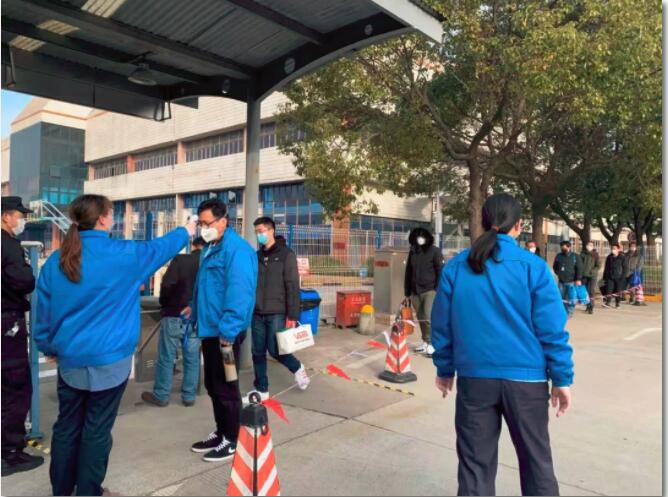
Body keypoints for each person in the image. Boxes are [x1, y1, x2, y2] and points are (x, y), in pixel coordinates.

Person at [34, 194, 196, 496]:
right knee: (96, 431)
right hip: (110, 362)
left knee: (67, 427)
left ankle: (62, 491)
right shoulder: (124, 255)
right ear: (103, 219)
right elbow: (159, 248)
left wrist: (48, 346)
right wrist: (187, 230)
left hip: (70, 360)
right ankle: (89, 491)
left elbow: (43, 312)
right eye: (112, 213)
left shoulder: (56, 260)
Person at [431, 193, 573, 496]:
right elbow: (552, 330)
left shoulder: (457, 267)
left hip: (475, 381)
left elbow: (442, 326)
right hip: (527, 383)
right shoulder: (533, 267)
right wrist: (561, 379)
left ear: (483, 222)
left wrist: (445, 369)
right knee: (537, 464)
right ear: (519, 225)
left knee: (474, 467)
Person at [186, 199, 257, 463]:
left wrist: (228, 330)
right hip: (209, 329)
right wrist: (194, 309)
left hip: (226, 333)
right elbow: (204, 287)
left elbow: (240, 293)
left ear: (224, 221)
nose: (204, 229)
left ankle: (233, 438)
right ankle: (222, 431)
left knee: (227, 386)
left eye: (208, 223)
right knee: (214, 385)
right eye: (201, 224)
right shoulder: (211, 248)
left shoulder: (237, 251)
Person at [243, 217, 310, 403]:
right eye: (257, 232)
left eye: (261, 231)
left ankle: (297, 367)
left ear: (271, 230)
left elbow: (292, 286)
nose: (259, 235)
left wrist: (293, 314)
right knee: (257, 352)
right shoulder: (256, 256)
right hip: (257, 312)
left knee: (275, 350)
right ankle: (261, 389)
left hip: (277, 311)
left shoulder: (286, 254)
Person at [1, 196, 44, 476]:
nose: (22, 221)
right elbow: (25, 281)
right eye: (19, 215)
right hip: (8, 323)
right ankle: (10, 453)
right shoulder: (8, 245)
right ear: (6, 216)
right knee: (15, 387)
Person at [142, 237, 205, 408]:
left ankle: (162, 395)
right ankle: (189, 396)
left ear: (193, 246)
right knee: (192, 358)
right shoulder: (209, 263)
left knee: (167, 356)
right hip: (196, 318)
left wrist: (165, 304)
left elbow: (167, 285)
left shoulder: (181, 260)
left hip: (174, 313)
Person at [404, 227, 443, 356]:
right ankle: (425, 342)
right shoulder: (413, 252)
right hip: (415, 291)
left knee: (427, 317)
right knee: (421, 318)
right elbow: (408, 272)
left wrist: (437, 289)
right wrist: (407, 292)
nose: (419, 239)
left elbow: (440, 270)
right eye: (417, 237)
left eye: (422, 236)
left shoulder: (435, 251)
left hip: (430, 290)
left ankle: (432, 344)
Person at [552, 240, 583, 317]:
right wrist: (559, 273)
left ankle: (569, 312)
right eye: (561, 247)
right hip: (561, 281)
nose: (562, 249)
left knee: (571, 298)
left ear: (569, 247)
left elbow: (580, 269)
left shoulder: (575, 256)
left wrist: (578, 279)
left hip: (572, 281)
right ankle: (562, 312)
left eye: (564, 247)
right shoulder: (559, 256)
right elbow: (555, 267)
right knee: (561, 298)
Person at [603, 243, 628, 308]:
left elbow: (625, 268)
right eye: (612, 248)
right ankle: (608, 302)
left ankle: (617, 303)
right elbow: (606, 267)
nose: (613, 250)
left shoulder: (622, 257)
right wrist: (605, 276)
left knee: (618, 290)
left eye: (614, 248)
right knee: (609, 290)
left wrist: (623, 277)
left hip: (619, 277)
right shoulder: (609, 257)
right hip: (610, 277)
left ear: (618, 249)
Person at [580, 241, 601, 315]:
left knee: (591, 291)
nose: (589, 246)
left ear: (593, 246)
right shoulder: (582, 254)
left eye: (591, 245)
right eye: (588, 245)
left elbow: (598, 266)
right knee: (585, 292)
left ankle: (591, 307)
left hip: (592, 276)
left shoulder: (595, 255)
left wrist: (592, 271)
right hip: (584, 276)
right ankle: (587, 306)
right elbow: (579, 264)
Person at [625, 242, 646, 306]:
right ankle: (627, 297)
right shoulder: (626, 255)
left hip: (634, 273)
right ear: (629, 247)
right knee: (627, 286)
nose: (632, 247)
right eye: (631, 246)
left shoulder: (639, 256)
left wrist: (636, 271)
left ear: (636, 247)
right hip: (626, 272)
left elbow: (640, 265)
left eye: (634, 246)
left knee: (633, 286)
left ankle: (632, 298)